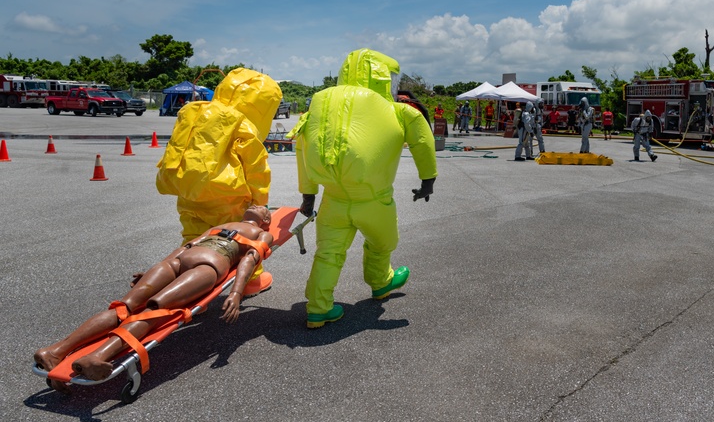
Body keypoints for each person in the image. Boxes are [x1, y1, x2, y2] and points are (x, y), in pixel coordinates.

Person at [34, 206, 274, 389]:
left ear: (265, 221)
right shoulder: (225, 223)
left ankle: (97, 356)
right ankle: (55, 352)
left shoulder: (262, 234)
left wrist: (236, 291)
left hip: (207, 266)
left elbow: (250, 259)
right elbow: (186, 246)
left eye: (263, 209)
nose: (258, 206)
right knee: (124, 307)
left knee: (156, 308)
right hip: (177, 261)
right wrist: (151, 270)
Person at [291, 49, 438, 329]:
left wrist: (308, 194)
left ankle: (318, 309)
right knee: (382, 244)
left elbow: (302, 145)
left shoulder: (320, 105)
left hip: (332, 199)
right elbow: (422, 138)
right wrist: (427, 180)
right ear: (384, 78)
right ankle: (381, 282)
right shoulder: (397, 110)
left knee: (328, 253)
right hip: (374, 199)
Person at [156, 68, 282, 295]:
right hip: (227, 197)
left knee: (193, 239)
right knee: (239, 241)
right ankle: (250, 283)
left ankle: (190, 287)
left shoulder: (192, 113)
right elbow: (256, 169)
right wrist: (259, 204)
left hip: (188, 193)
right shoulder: (242, 125)